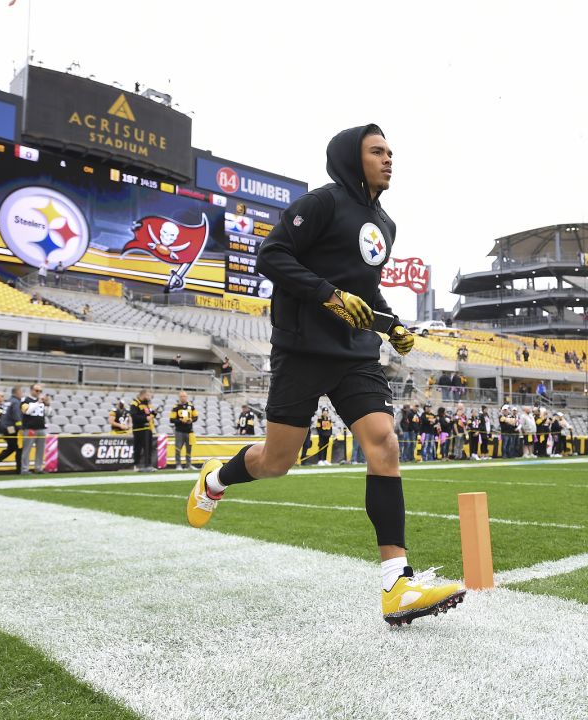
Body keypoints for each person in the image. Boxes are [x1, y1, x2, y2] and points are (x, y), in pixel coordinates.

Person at [183, 123, 462, 625]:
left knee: (384, 443)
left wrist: (392, 325)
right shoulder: (321, 203)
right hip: (302, 349)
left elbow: (366, 289)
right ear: (352, 158)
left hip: (355, 354)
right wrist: (328, 296)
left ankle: (395, 583)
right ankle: (216, 480)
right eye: (377, 151)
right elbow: (272, 255)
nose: (389, 158)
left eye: (391, 151)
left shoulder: (387, 225)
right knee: (277, 461)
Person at [20, 384, 50, 473]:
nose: (39, 393)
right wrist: (38, 402)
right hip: (30, 428)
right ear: (31, 390)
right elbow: (27, 411)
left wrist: (48, 404)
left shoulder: (40, 401)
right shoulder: (25, 400)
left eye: (40, 391)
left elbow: (47, 413)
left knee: (40, 450)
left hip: (41, 428)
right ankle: (25, 469)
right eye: (37, 390)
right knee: (27, 450)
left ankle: (39, 468)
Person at [169, 391, 199, 470]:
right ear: (179, 397)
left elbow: (196, 417)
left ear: (187, 397)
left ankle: (188, 465)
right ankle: (178, 465)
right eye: (182, 396)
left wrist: (191, 420)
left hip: (189, 431)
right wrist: (180, 421)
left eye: (184, 396)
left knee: (189, 448)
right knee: (178, 448)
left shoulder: (191, 406)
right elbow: (171, 419)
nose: (183, 398)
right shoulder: (176, 407)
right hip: (179, 431)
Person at [130, 390, 157, 471]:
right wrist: (145, 418)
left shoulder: (148, 404)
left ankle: (148, 465)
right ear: (143, 395)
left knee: (148, 448)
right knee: (138, 448)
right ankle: (136, 465)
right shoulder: (135, 403)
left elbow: (150, 415)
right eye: (148, 395)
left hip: (148, 429)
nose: (149, 397)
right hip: (139, 429)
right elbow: (134, 416)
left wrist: (154, 413)